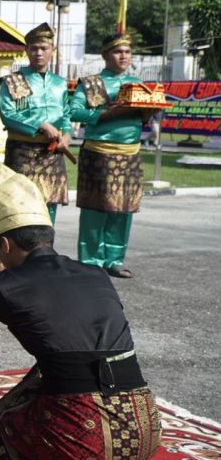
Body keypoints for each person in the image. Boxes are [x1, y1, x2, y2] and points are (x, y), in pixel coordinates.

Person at [0, 163, 162, 460]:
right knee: (51, 368)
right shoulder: (94, 273)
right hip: (142, 429)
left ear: (4, 245)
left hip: (81, 434)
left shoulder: (6, 286)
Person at [69, 33, 149, 278]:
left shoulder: (138, 84)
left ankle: (114, 260)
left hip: (130, 153)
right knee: (95, 209)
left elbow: (144, 117)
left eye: (127, 51)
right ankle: (90, 261)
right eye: (117, 51)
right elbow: (74, 112)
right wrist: (107, 114)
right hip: (99, 153)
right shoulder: (91, 83)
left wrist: (148, 112)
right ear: (105, 55)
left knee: (123, 210)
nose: (123, 56)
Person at [0, 23, 71, 222]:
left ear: (52, 51)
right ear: (27, 51)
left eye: (44, 48)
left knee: (49, 210)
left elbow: (65, 114)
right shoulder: (13, 80)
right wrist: (40, 124)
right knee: (21, 208)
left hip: (52, 154)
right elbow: (8, 114)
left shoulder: (60, 83)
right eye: (34, 48)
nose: (38, 53)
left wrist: (66, 134)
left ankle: (45, 252)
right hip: (23, 153)